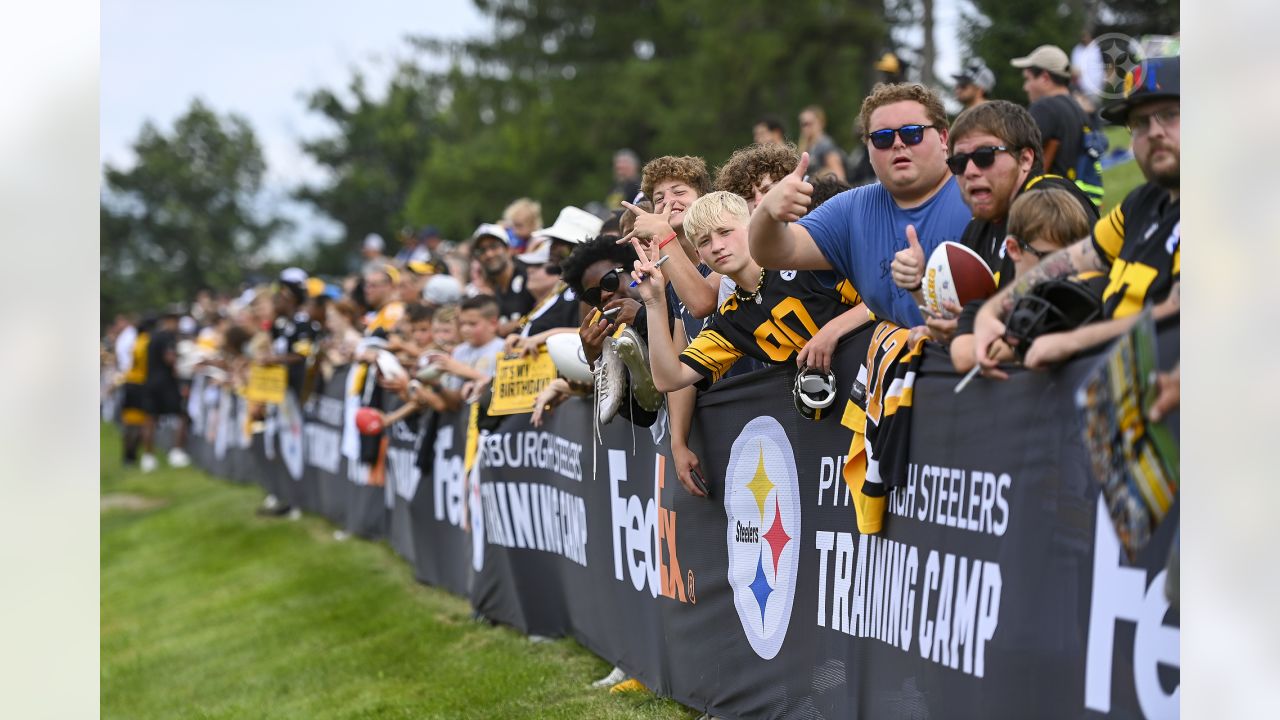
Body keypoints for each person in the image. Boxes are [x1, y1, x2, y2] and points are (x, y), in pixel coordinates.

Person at [972, 56, 1181, 375]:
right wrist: (991, 313)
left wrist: (1072, 341)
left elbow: (1182, 317)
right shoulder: (1140, 203)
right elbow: (1079, 257)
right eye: (1139, 122)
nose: (1153, 132)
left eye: (1169, 115)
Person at [751, 82, 972, 329]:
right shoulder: (852, 211)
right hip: (907, 360)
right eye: (882, 138)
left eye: (912, 133)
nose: (898, 143)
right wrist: (768, 211)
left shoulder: (978, 194)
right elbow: (772, 253)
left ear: (943, 138)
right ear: (868, 149)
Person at [890, 100, 1099, 344]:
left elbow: (1060, 318)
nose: (969, 171)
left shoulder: (1048, 202)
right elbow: (959, 320)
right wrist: (918, 285)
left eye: (984, 156)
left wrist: (971, 331)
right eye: (958, 163)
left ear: (1025, 160)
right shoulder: (977, 229)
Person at [629, 190, 868, 403]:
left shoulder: (802, 260)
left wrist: (832, 331)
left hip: (884, 380)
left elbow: (890, 299)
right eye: (704, 241)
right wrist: (654, 302)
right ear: (699, 254)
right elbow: (669, 378)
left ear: (751, 228)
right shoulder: (733, 318)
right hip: (841, 415)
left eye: (725, 232)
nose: (717, 246)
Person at [949, 185, 1101, 373]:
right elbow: (962, 356)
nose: (1065, 270)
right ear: (1013, 248)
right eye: (1050, 260)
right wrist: (1015, 349)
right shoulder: (990, 308)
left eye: (1072, 259)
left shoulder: (1082, 303)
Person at [1011, 45, 1088, 180]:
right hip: (1075, 196)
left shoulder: (1044, 108)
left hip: (1051, 196)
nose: (1025, 87)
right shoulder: (1078, 108)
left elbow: (1014, 154)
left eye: (1028, 79)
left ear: (1045, 78)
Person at [470, 223, 535, 335]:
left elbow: (547, 311)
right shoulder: (491, 288)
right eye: (482, 250)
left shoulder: (529, 275)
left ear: (508, 249)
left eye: (494, 246)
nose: (489, 254)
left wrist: (517, 324)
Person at [798, 105, 848, 182]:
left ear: (821, 123)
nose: (806, 127)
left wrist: (819, 175)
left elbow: (840, 176)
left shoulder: (825, 145)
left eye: (809, 123)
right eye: (803, 124)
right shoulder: (809, 146)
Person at [1071, 31, 1105, 112]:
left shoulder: (1098, 48)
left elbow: (1110, 65)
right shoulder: (1076, 50)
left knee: (1094, 113)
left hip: (1095, 89)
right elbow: (1074, 69)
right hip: (1080, 90)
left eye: (1085, 36)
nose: (1083, 38)